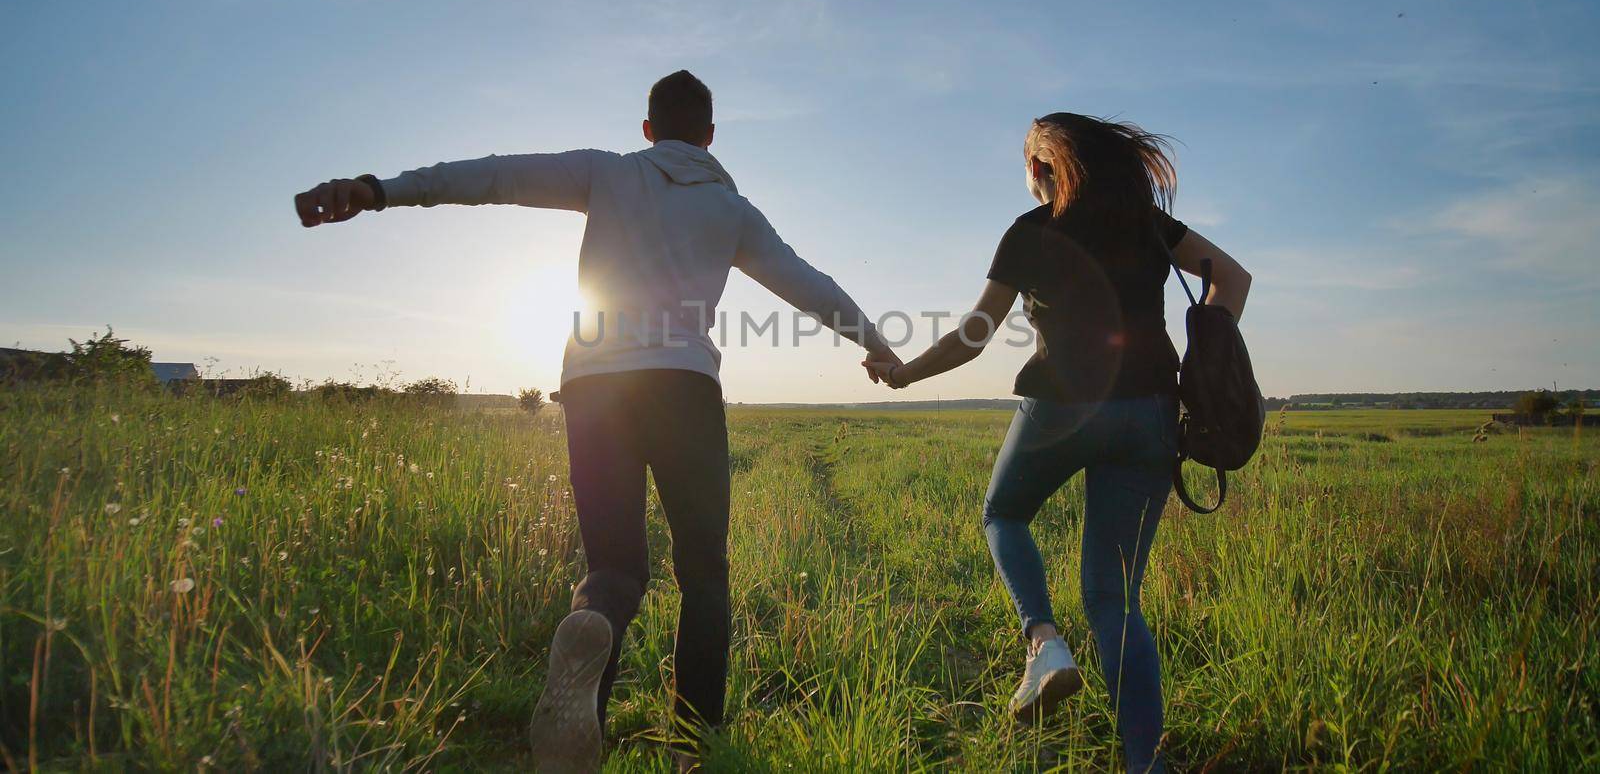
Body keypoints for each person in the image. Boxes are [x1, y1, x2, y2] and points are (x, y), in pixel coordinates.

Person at [293, 70, 901, 772]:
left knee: (614, 567)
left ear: (647, 130)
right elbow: (809, 285)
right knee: (703, 572)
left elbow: (493, 177)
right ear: (709, 135)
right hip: (683, 387)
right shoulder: (733, 211)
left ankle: (592, 651)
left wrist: (378, 191)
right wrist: (876, 345)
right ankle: (692, 748)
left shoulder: (606, 174)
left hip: (594, 385)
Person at [864, 113, 1250, 773]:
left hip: (1062, 407)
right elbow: (1233, 280)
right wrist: (1200, 360)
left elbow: (973, 335)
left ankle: (1043, 641)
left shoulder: (1031, 232)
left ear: (1042, 169)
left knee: (1003, 514)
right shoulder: (1147, 224)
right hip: (1151, 411)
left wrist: (904, 372)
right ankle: (1146, 764)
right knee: (1114, 599)